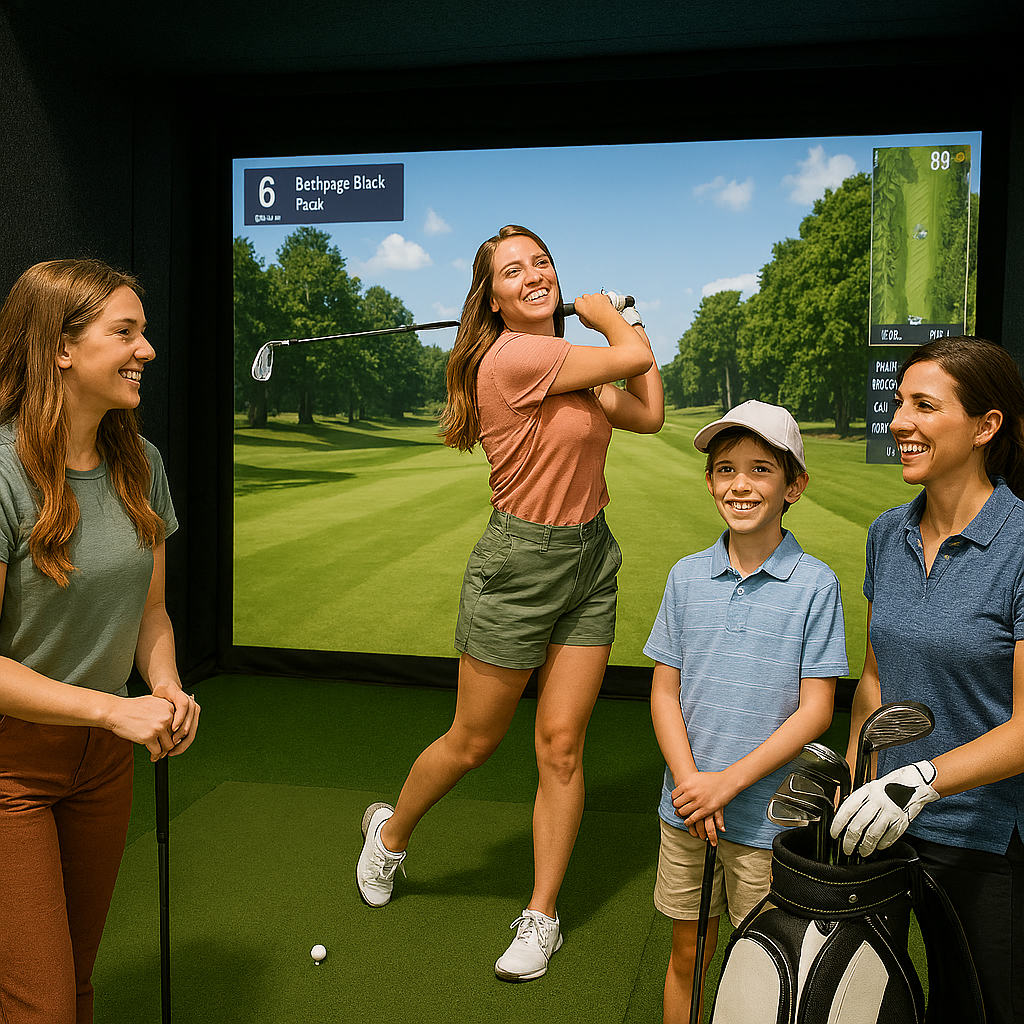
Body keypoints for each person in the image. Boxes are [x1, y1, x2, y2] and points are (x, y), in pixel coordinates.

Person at [356, 224, 664, 980]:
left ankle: (541, 915)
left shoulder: (569, 368)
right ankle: (390, 834)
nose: (534, 275)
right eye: (514, 269)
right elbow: (630, 359)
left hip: (590, 560)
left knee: (561, 747)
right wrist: (611, 319)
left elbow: (648, 411)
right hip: (519, 568)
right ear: (491, 299)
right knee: (474, 740)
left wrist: (628, 327)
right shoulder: (515, 357)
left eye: (543, 263)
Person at [0, 259, 200, 1024]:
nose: (146, 349)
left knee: (77, 984)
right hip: (11, 764)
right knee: (41, 1006)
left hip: (102, 763)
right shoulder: (3, 471)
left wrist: (165, 686)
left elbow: (150, 614)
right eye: (125, 332)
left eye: (143, 332)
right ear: (60, 346)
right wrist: (113, 710)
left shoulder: (140, 464)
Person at [831, 336, 1024, 1024]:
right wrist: (854, 782)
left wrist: (922, 781)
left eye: (924, 405)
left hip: (983, 837)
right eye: (898, 402)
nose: (899, 421)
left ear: (985, 425)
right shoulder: (887, 534)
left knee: (979, 1008)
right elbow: (874, 681)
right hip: (882, 827)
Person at [645, 400, 848, 1024]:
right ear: (710, 482)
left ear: (794, 486)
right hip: (687, 811)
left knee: (763, 969)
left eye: (761, 470)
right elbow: (664, 692)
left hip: (767, 821)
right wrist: (692, 786)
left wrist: (725, 784)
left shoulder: (816, 584)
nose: (741, 484)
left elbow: (816, 711)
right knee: (688, 956)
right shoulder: (685, 577)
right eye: (726, 469)